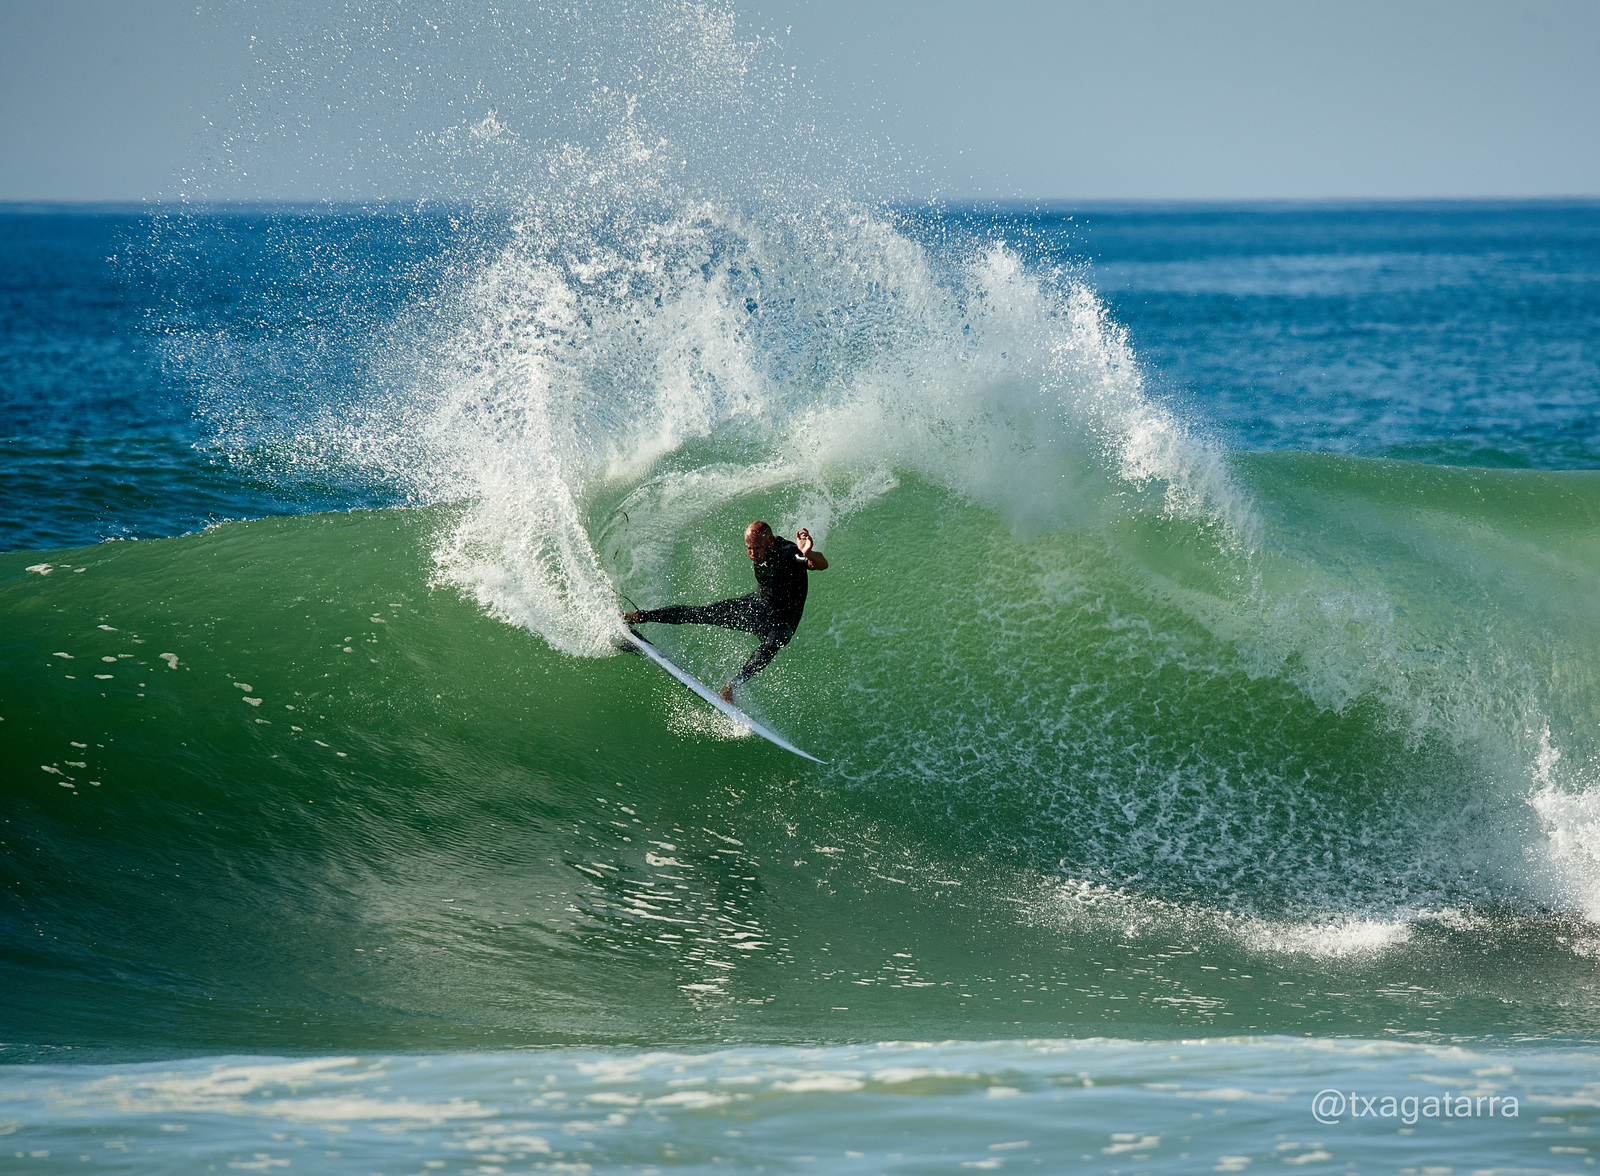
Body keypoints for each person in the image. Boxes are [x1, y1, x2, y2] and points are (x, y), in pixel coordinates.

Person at [624, 521, 828, 702]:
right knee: (702, 613)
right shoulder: (759, 553)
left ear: (770, 542)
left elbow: (819, 564)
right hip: (757, 606)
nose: (753, 554)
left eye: (757, 548)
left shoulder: (788, 553)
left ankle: (732, 686)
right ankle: (639, 616)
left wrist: (807, 553)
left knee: (772, 644)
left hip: (782, 622)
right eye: (749, 548)